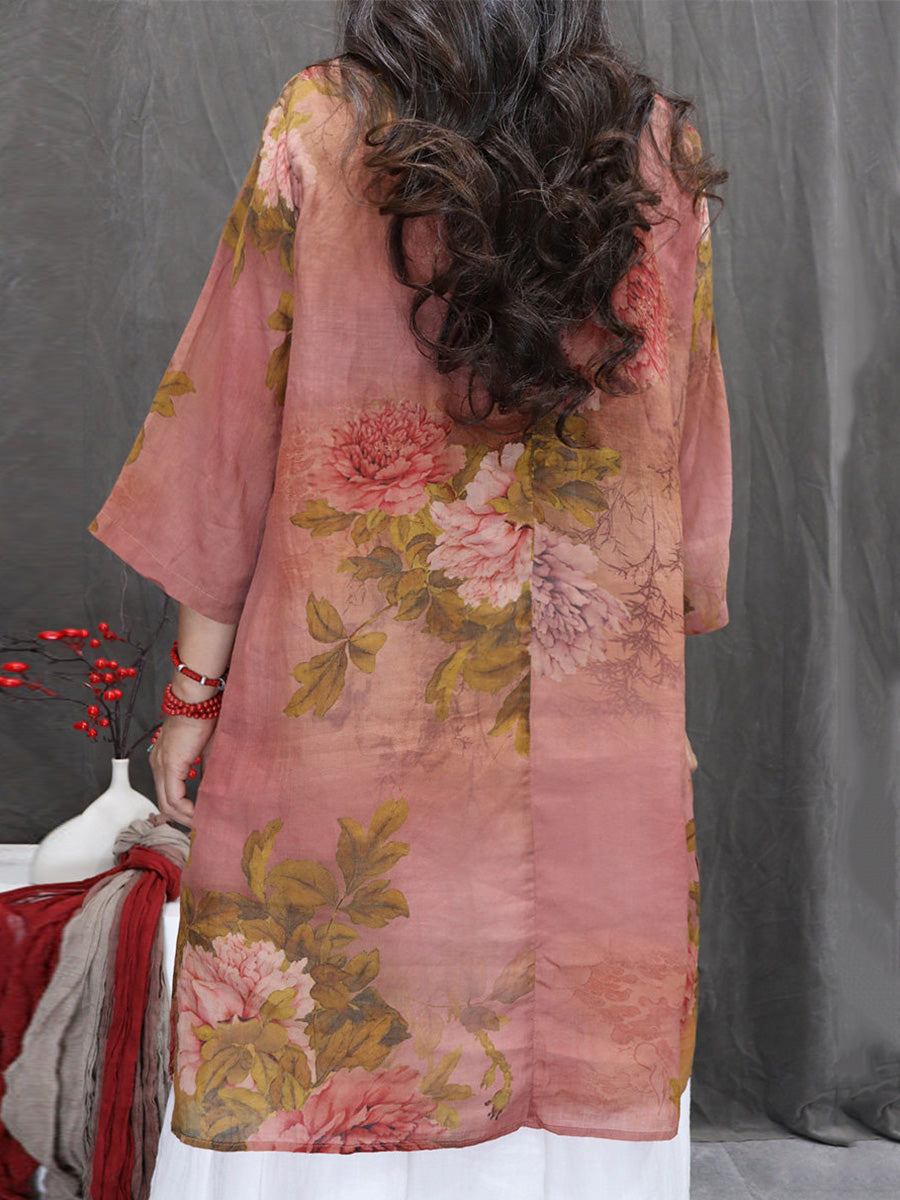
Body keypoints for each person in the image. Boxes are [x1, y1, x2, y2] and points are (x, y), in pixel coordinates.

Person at [88, 1, 732, 1196]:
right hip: (589, 727)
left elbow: (228, 431)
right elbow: (675, 445)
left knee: (325, 1016)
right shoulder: (657, 152)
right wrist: (657, 697)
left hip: (350, 727)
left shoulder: (322, 128)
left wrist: (192, 697)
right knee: (573, 1031)